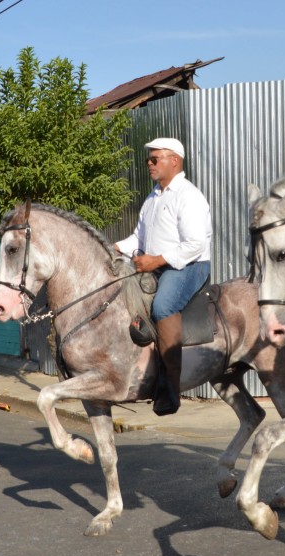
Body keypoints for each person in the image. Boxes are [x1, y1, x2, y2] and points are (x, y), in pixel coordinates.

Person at [115, 138, 212, 415]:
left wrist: (156, 260)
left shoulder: (188, 195)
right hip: (157, 264)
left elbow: (194, 244)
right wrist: (114, 248)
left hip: (188, 266)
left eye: (155, 158)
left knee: (163, 306)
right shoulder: (153, 197)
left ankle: (170, 387)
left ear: (175, 161)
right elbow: (139, 238)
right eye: (149, 159)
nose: (149, 163)